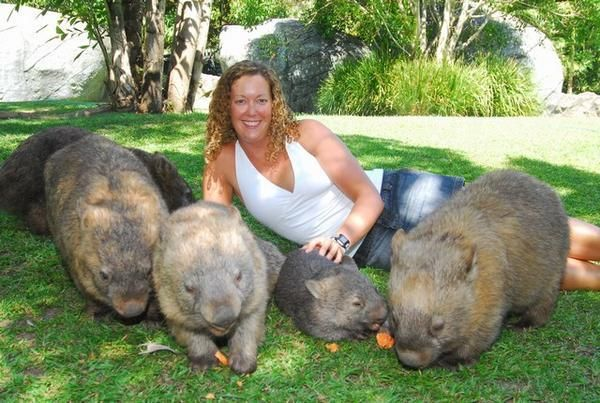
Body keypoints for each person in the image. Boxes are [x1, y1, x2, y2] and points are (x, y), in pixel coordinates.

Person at [202, 60, 600, 291]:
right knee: (500, 271)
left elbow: (369, 198)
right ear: (227, 105)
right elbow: (213, 232)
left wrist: (337, 240)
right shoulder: (222, 162)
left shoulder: (306, 133)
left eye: (260, 100)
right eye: (241, 101)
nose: (251, 111)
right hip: (374, 248)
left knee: (521, 228)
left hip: (397, 197)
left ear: (275, 103)